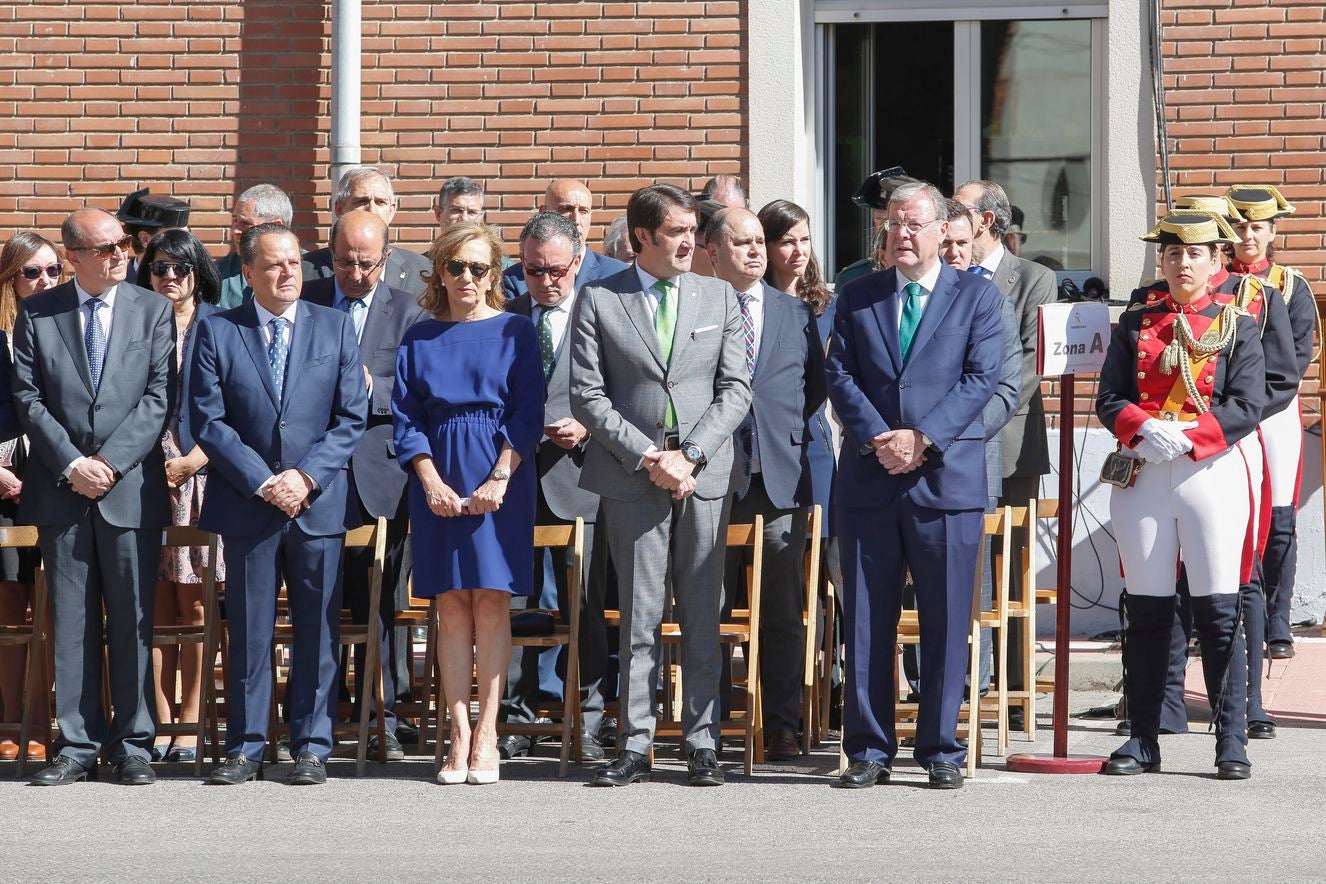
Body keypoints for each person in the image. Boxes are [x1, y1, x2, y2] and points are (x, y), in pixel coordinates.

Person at [570, 183, 751, 788]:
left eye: (693, 231)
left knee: (703, 613)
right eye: (677, 232)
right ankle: (635, 745)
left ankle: (703, 743)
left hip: (701, 477)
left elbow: (736, 390)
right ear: (642, 236)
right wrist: (651, 455)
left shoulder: (718, 296)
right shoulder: (599, 300)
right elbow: (587, 396)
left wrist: (691, 456)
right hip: (632, 477)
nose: (690, 242)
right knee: (641, 618)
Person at [825, 181, 1003, 791]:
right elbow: (839, 374)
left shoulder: (976, 295)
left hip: (945, 479)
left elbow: (983, 378)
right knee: (868, 618)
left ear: (940, 232)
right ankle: (869, 750)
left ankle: (940, 748)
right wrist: (882, 437)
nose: (901, 233)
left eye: (913, 224)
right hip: (871, 479)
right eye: (893, 224)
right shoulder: (857, 295)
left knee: (947, 619)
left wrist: (922, 438)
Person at [191, 222, 367, 786]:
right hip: (250, 504)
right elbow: (207, 420)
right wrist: (264, 481)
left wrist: (305, 478)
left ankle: (311, 744)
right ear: (248, 272)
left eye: (293, 262)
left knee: (318, 628)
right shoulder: (217, 331)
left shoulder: (335, 328)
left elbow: (350, 418)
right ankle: (246, 745)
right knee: (248, 629)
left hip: (315, 505)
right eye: (273, 264)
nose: (288, 272)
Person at [1096, 212, 1265, 780]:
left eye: (1195, 255)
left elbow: (1246, 404)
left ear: (1217, 262)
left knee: (1219, 612)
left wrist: (1191, 437)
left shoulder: (1237, 323)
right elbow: (1110, 395)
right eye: (1173, 254)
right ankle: (1144, 737)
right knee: (1145, 611)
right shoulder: (1137, 320)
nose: (1182, 264)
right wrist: (1142, 426)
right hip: (1145, 468)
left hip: (1209, 471)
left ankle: (1231, 740)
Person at [14, 208, 175, 786]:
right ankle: (76, 744)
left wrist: (106, 464)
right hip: (63, 490)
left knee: (132, 617)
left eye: (123, 245)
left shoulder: (152, 310)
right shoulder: (36, 315)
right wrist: (73, 464)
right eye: (105, 248)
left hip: (128, 488)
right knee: (72, 618)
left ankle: (134, 743)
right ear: (73, 257)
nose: (120, 255)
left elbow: (159, 399)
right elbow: (29, 399)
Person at [392, 222, 542, 785]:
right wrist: (428, 480)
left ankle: (488, 733)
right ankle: (455, 734)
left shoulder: (515, 332)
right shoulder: (419, 336)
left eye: (479, 268)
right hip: (439, 476)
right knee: (451, 605)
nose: (468, 278)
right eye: (457, 267)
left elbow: (528, 412)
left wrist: (501, 476)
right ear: (441, 271)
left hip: (501, 475)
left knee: (491, 604)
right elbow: (407, 418)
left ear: (494, 274)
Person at [301, 211, 428, 761]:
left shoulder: (411, 312)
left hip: (384, 475)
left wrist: (364, 392)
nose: (355, 273)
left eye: (367, 263)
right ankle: (319, 716)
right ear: (329, 254)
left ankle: (388, 715)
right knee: (323, 596)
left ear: (387, 256)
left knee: (383, 600)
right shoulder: (305, 302)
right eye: (344, 261)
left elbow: (417, 393)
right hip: (316, 473)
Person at [706, 206, 825, 762]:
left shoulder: (794, 312)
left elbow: (816, 387)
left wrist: (783, 434)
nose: (757, 251)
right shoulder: (697, 304)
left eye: (761, 242)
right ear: (714, 251)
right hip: (712, 474)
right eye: (744, 242)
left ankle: (781, 723)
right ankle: (708, 724)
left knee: (781, 608)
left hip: (779, 477)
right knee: (708, 603)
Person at [501, 212, 610, 762]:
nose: (545, 281)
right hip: (517, 481)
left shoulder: (601, 311)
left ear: (578, 262)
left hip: (581, 478)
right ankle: (515, 718)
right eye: (533, 271)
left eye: (556, 271)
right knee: (516, 603)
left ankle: (587, 717)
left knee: (584, 606)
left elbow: (621, 388)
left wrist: (589, 425)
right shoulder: (507, 318)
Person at [953, 178, 1057, 729]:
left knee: (1011, 565)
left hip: (1011, 444)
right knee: (959, 564)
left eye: (958, 211)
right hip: (948, 447)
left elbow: (1030, 364)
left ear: (986, 221)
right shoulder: (946, 275)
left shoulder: (1033, 278)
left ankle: (1015, 688)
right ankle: (960, 682)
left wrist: (972, 416)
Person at [135, 230, 225, 765]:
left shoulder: (219, 324)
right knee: (150, 602)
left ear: (198, 273)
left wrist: (197, 458)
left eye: (182, 268)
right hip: (143, 471)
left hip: (201, 468)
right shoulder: (136, 320)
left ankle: (190, 720)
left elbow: (237, 403)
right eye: (160, 268)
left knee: (193, 601)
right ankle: (161, 715)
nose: (171, 277)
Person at [1225, 185, 1318, 662]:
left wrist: (1250, 405)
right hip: (1224, 415)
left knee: (1279, 518)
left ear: (1272, 232)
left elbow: (1297, 357)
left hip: (1275, 412)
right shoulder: (1213, 282)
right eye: (1239, 226)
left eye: (1256, 226)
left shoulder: (1290, 285)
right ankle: (1226, 617)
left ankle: (1277, 623)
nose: (1247, 235)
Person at [0, 233, 54, 764]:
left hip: (53, 478)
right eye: (32, 273)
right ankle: (14, 721)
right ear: (10, 281)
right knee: (12, 608)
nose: (44, 282)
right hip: (2, 483)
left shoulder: (62, 329)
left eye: (52, 272)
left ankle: (47, 720)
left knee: (56, 606)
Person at [305, 166, 431, 296]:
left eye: (380, 202)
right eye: (361, 201)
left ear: (392, 210)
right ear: (339, 208)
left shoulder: (422, 270)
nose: (372, 210)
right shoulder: (305, 270)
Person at [503, 179, 629, 298]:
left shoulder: (619, 274)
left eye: (583, 211)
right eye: (566, 209)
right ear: (543, 212)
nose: (576, 220)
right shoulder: (513, 280)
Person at [215, 184, 297, 309]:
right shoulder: (218, 273)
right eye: (235, 221)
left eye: (246, 224)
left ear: (276, 226)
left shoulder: (312, 272)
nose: (235, 231)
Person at [834, 167, 915, 288]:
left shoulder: (941, 272)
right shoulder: (853, 278)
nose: (886, 229)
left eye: (895, 223)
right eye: (880, 220)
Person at [759, 200, 832, 318]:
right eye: (787, 242)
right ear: (765, 246)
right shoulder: (754, 304)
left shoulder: (830, 305)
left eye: (804, 240)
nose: (799, 251)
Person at [116, 188, 191, 277]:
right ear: (145, 239)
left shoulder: (197, 284)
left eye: (187, 235)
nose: (186, 243)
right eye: (176, 236)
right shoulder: (115, 288)